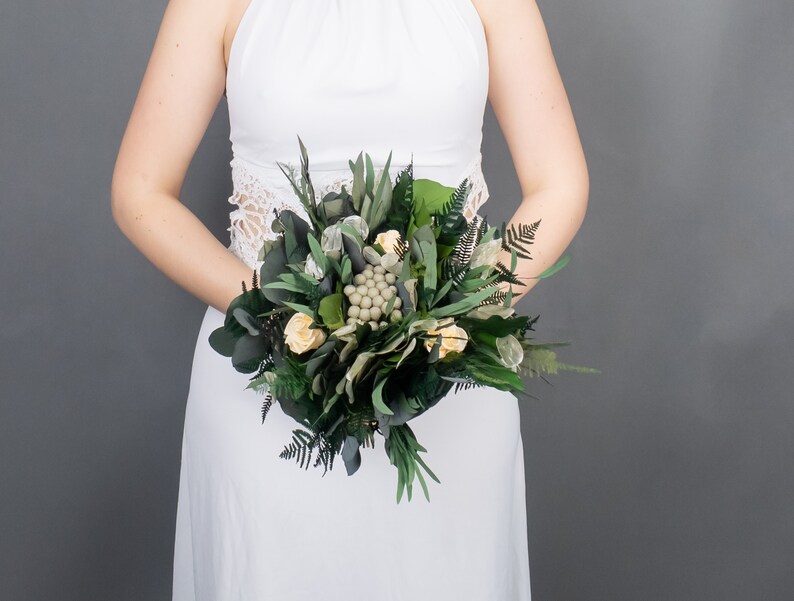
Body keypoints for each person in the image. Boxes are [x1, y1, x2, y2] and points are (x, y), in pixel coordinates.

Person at [111, 0, 589, 598]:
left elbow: (560, 181)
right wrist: (280, 315)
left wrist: (456, 315)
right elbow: (140, 190)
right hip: (270, 381)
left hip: (448, 382)